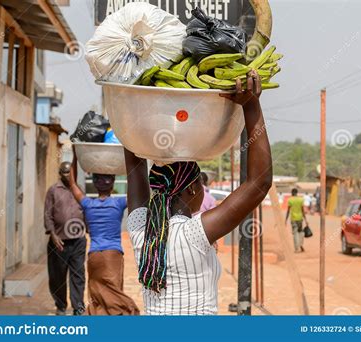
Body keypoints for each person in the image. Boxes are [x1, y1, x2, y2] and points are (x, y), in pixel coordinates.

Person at [124, 70, 272, 315]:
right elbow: (259, 183)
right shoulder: (194, 233)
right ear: (194, 187)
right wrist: (251, 106)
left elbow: (134, 167)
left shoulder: (141, 230)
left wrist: (129, 103)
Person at [69, 155, 139, 315]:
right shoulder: (119, 203)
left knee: (98, 297)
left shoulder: (87, 204)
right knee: (114, 293)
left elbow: (72, 183)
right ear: (113, 184)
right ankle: (129, 311)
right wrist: (132, 157)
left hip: (94, 256)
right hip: (112, 256)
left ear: (94, 184)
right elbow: (135, 188)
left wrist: (75, 155)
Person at [44, 162, 86, 316]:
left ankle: (78, 307)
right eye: (65, 172)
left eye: (71, 172)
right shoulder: (53, 191)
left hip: (78, 240)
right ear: (60, 173)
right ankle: (61, 306)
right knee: (57, 276)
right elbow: (48, 215)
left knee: (78, 275)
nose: (68, 175)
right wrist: (53, 235)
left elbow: (86, 209)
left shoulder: (79, 189)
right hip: (59, 241)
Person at [285, 188, 309, 253]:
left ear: (292, 193)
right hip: (300, 219)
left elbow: (288, 210)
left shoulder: (290, 200)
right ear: (297, 193)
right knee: (301, 232)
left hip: (293, 219)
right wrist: (306, 220)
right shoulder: (301, 200)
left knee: (295, 233)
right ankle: (300, 244)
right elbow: (302, 210)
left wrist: (286, 220)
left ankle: (296, 248)